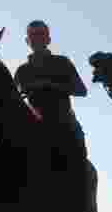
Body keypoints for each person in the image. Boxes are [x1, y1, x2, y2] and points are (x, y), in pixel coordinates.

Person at [13, 19, 89, 179]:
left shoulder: (62, 63)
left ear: (48, 39)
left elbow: (82, 90)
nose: (37, 38)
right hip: (33, 128)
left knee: (79, 169)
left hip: (65, 125)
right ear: (27, 41)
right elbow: (12, 99)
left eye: (41, 34)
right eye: (33, 35)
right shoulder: (22, 71)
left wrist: (51, 85)